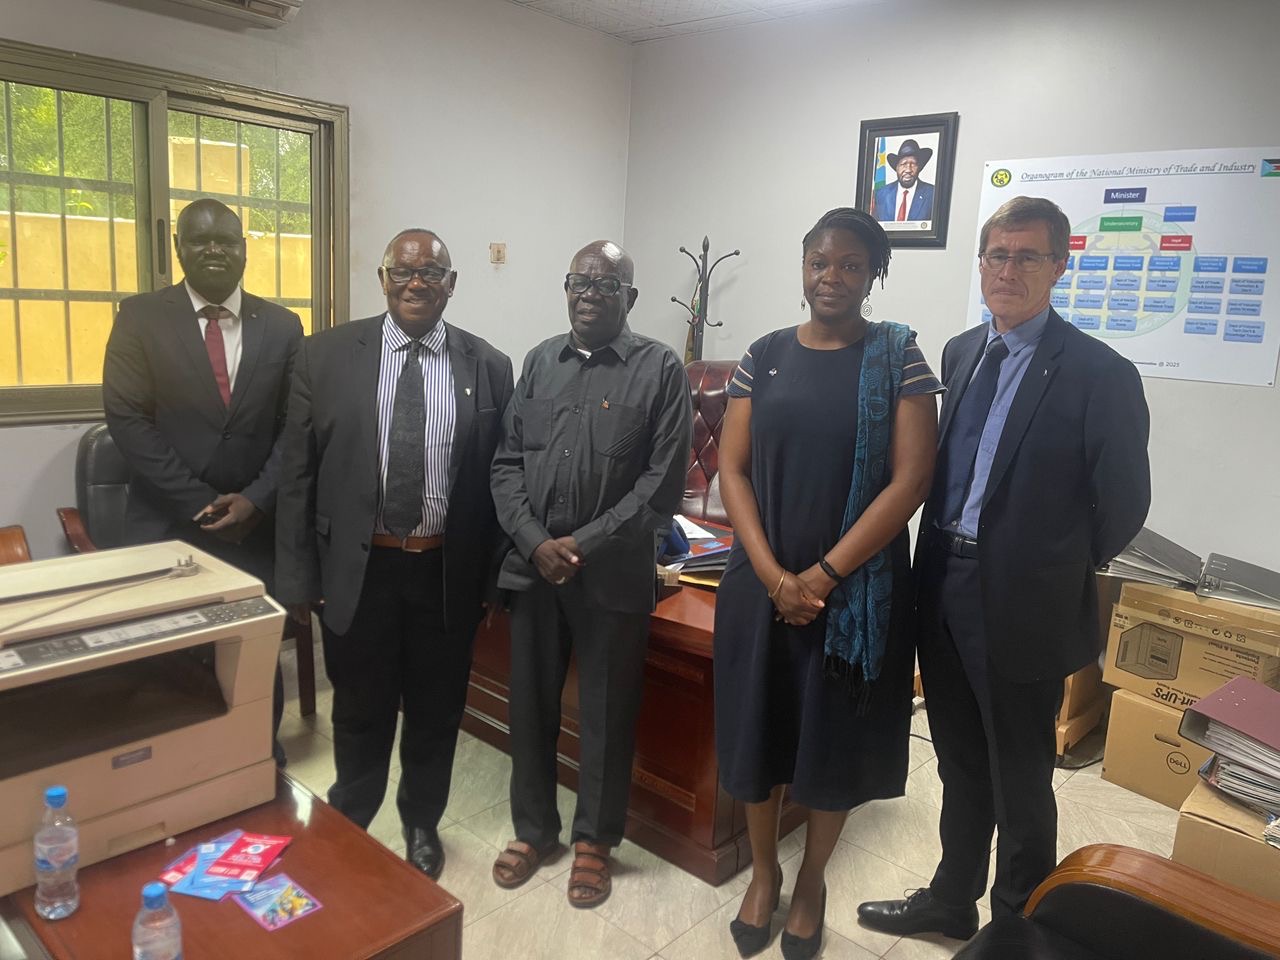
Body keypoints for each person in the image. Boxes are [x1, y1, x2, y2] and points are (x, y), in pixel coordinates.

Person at [857, 196, 1151, 937]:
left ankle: (1018, 928)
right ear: (981, 262)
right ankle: (951, 900)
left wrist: (1047, 566)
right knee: (958, 762)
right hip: (943, 586)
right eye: (997, 255)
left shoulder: (1100, 373)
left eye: (1027, 257)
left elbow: (1124, 504)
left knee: (1020, 777)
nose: (1008, 270)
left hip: (1025, 604)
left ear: (1059, 267)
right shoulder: (961, 352)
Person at [714, 208, 941, 959]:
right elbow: (732, 469)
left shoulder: (899, 357)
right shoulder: (765, 354)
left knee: (831, 745)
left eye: (850, 265)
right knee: (760, 731)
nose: (831, 277)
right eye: (819, 262)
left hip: (854, 597)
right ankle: (763, 875)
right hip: (761, 584)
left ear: (874, 274)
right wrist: (774, 574)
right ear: (803, 266)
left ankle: (811, 879)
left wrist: (820, 576)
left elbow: (910, 482)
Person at [274, 228, 513, 881]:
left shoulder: (489, 365)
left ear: (451, 285)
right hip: (359, 571)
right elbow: (296, 473)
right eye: (402, 271)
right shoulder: (325, 356)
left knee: (437, 711)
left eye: (431, 272)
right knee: (360, 709)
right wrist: (297, 577)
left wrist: (493, 577)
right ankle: (351, 818)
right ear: (382, 279)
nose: (416, 282)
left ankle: (421, 823)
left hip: (444, 572)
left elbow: (500, 478)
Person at [488, 240, 692, 909]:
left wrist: (581, 543)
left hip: (612, 577)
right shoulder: (538, 361)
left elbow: (661, 487)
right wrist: (533, 540)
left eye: (605, 286)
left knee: (606, 714)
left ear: (629, 298)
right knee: (530, 708)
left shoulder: (660, 369)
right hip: (534, 569)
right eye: (579, 282)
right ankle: (534, 831)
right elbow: (506, 464)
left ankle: (595, 842)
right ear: (566, 287)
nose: (589, 294)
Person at [103, 197, 302, 767]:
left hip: (255, 530)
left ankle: (259, 764)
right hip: (168, 524)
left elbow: (297, 425)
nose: (214, 249)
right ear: (178, 248)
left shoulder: (283, 326)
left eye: (227, 240)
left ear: (244, 250)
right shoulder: (140, 317)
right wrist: (200, 501)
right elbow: (128, 420)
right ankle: (177, 774)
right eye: (199, 239)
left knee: (252, 661)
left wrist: (256, 499)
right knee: (167, 665)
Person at [873, 139, 936, 224]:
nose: (908, 170)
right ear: (897, 167)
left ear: (919, 167)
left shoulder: (932, 194)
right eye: (903, 164)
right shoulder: (881, 194)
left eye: (913, 164)